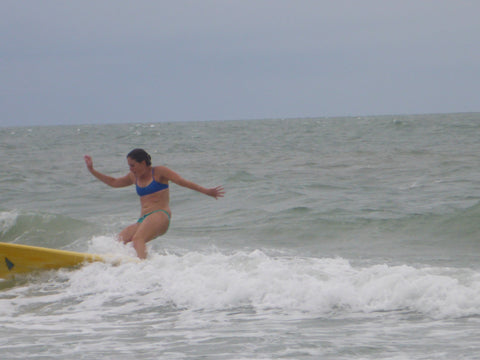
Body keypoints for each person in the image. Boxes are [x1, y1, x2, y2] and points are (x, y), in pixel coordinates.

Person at [84, 149, 225, 259]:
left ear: (143, 163)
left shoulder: (159, 172)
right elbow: (114, 182)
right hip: (143, 219)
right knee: (119, 240)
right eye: (129, 166)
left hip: (160, 215)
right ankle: (120, 266)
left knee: (138, 239)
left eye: (133, 165)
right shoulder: (133, 177)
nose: (131, 169)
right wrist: (92, 170)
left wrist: (206, 191)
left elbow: (183, 182)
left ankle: (142, 267)